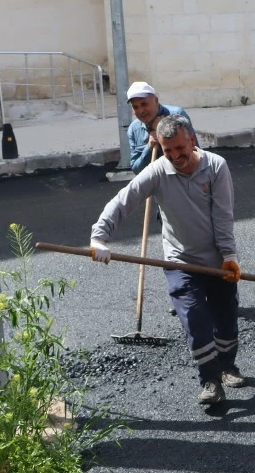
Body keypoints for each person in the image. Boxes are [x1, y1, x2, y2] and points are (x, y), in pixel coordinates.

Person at [89, 115, 243, 406]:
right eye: (168, 150)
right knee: (195, 318)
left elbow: (223, 217)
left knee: (226, 320)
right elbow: (124, 200)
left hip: (217, 260)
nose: (175, 157)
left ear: (192, 140)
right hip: (179, 260)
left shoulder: (215, 167)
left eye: (179, 149)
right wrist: (100, 237)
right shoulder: (158, 171)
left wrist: (229, 256)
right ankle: (210, 379)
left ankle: (227, 365)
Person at [125, 81, 187, 174]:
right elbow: (136, 169)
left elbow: (195, 152)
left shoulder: (177, 115)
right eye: (135, 107)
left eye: (144, 104)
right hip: (153, 184)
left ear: (156, 101)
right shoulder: (134, 129)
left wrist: (164, 131)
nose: (141, 111)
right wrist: (149, 147)